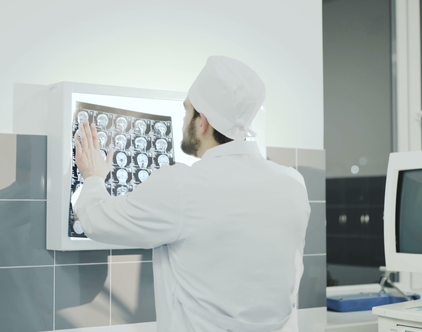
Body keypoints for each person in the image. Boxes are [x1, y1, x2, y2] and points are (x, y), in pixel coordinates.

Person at [73, 56, 311, 332]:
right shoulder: (293, 184)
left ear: (203, 122)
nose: (184, 119)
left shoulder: (182, 186)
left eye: (187, 111)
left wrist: (93, 178)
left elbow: (96, 220)